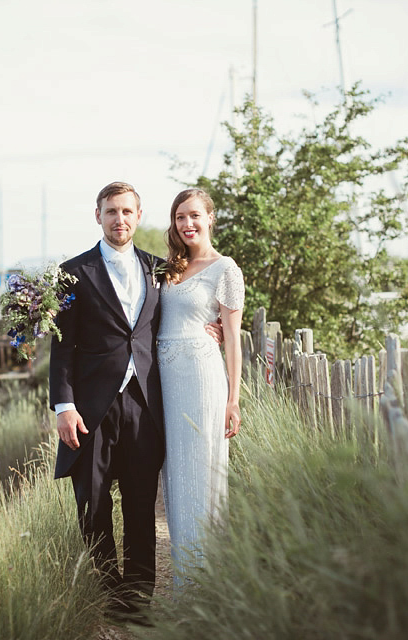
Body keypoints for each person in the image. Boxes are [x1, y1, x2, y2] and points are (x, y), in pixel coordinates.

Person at [49, 181, 221, 618]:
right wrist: (63, 406)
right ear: (98, 216)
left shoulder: (160, 269)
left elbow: (185, 311)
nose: (119, 219)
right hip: (89, 410)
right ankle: (109, 593)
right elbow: (62, 346)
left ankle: (137, 599)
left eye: (127, 212)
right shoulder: (73, 272)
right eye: (111, 211)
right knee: (93, 504)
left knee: (142, 505)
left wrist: (212, 328)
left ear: (138, 217)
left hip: (145, 403)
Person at [158, 187, 244, 590]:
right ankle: (184, 574)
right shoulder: (168, 269)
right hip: (166, 382)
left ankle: (206, 582)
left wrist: (234, 400)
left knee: (201, 468)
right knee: (175, 471)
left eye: (194, 216)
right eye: (180, 218)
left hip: (202, 377)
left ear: (211, 218)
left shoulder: (225, 269)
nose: (187, 224)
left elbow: (232, 338)